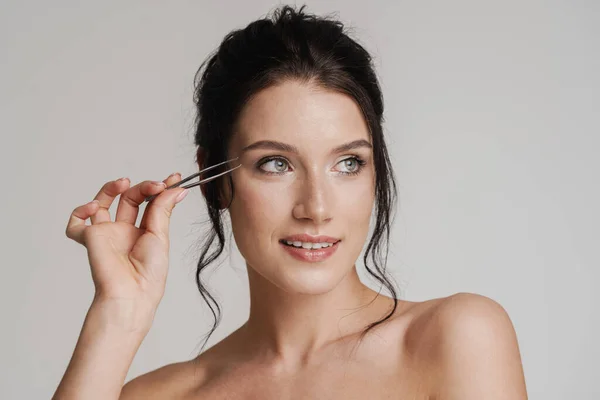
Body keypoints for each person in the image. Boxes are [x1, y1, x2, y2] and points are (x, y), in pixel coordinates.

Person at [54, 5, 527, 399]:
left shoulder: (457, 338)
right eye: (276, 164)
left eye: (347, 164)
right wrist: (118, 314)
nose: (316, 208)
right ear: (213, 179)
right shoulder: (159, 395)